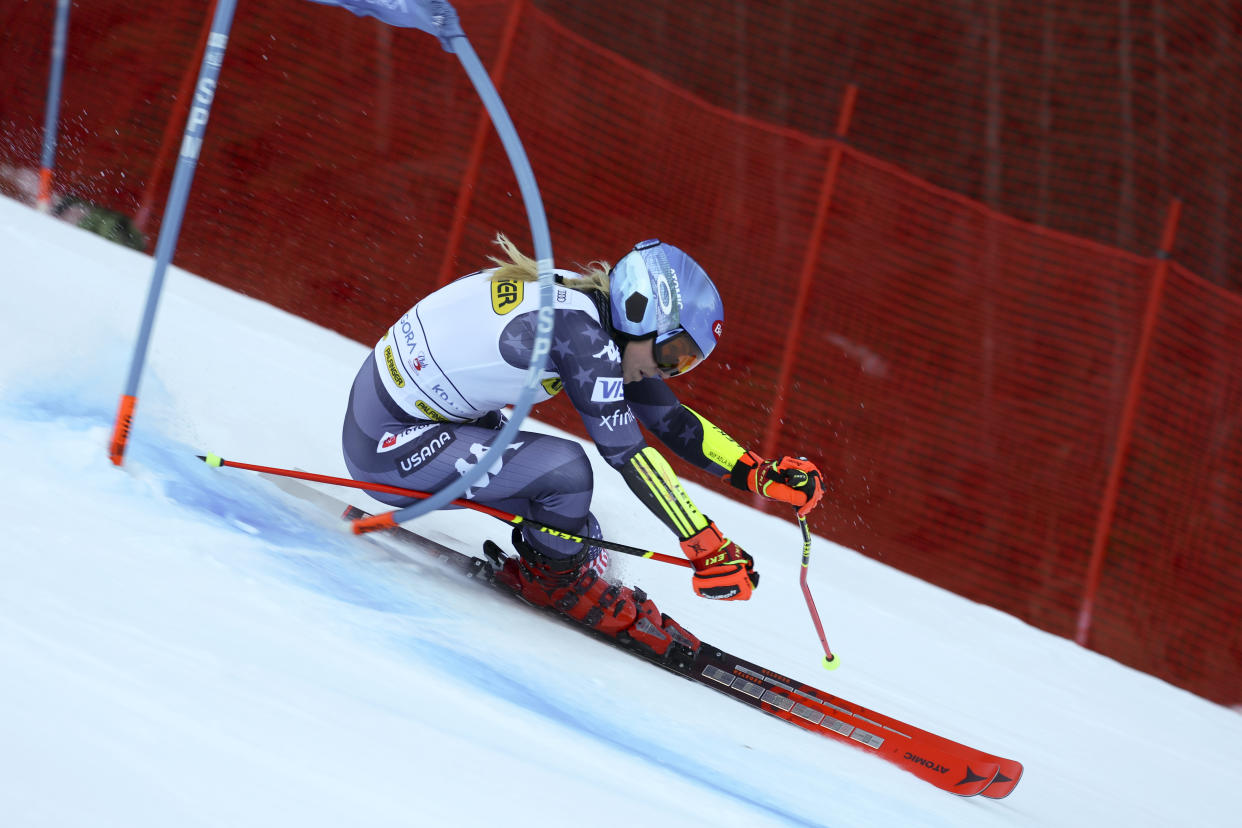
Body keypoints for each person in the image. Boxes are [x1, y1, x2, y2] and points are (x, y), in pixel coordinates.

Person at [341, 234, 824, 659]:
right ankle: (558, 587)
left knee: (577, 530)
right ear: (639, 312)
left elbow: (668, 416)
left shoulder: (588, 306)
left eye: (686, 364)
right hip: (389, 445)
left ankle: (554, 569)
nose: (670, 371)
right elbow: (626, 450)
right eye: (674, 354)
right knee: (566, 473)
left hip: (407, 422)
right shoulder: (581, 336)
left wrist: (757, 473)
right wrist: (705, 544)